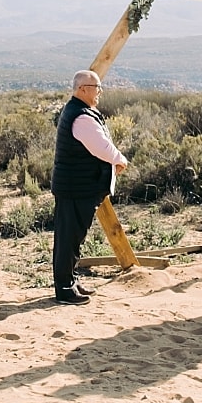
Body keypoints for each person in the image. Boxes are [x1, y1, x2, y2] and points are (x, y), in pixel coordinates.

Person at [50, 69, 128, 305]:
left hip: (78, 186)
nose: (100, 92)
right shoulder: (81, 116)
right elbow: (100, 147)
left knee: (73, 237)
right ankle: (64, 289)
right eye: (96, 88)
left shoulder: (79, 111)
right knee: (68, 239)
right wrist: (120, 159)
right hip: (76, 187)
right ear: (83, 89)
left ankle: (71, 282)